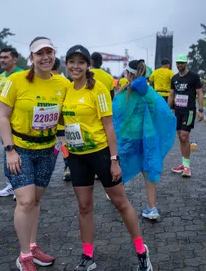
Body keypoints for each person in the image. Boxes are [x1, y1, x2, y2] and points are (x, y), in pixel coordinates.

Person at [62, 45, 152, 271]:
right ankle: (88, 255)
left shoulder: (98, 89)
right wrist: (62, 146)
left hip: (101, 153)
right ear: (66, 64)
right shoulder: (65, 89)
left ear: (87, 65)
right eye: (71, 62)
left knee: (120, 203)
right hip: (77, 156)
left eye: (80, 62)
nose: (75, 66)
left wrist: (114, 159)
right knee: (84, 206)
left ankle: (142, 252)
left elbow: (109, 126)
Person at [0, 37, 69, 271]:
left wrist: (65, 141)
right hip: (19, 149)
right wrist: (10, 150)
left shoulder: (62, 84)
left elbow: (64, 116)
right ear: (32, 57)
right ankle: (25, 255)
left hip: (48, 150)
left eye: (49, 52)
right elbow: (3, 117)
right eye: (40, 53)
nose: (45, 57)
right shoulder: (16, 80)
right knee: (25, 200)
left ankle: (32, 244)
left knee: (36, 200)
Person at [113, 60, 176, 220]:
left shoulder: (123, 94)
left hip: (129, 138)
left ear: (129, 74)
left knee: (119, 168)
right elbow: (162, 113)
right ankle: (151, 208)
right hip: (148, 138)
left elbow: (116, 117)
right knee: (149, 172)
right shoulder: (150, 93)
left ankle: (117, 199)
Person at [168, 55, 204, 177]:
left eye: (182, 63)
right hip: (178, 110)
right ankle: (184, 163)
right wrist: (169, 109)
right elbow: (172, 94)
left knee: (184, 136)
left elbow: (199, 92)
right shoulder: (174, 78)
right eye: (178, 63)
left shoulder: (193, 76)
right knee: (180, 137)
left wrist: (201, 110)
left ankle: (187, 167)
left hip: (189, 111)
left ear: (186, 63)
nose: (179, 65)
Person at [0, 47, 24, 197]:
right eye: (1, 57)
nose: (2, 60)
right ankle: (11, 184)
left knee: (19, 154)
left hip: (19, 123)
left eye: (6, 57)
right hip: (5, 122)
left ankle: (19, 186)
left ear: (14, 59)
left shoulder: (21, 75)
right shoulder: (1, 77)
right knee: (7, 153)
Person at [51, 58, 71, 181]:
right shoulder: (66, 82)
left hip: (44, 123)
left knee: (50, 146)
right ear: (58, 67)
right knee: (64, 144)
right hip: (62, 122)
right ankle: (68, 168)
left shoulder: (42, 81)